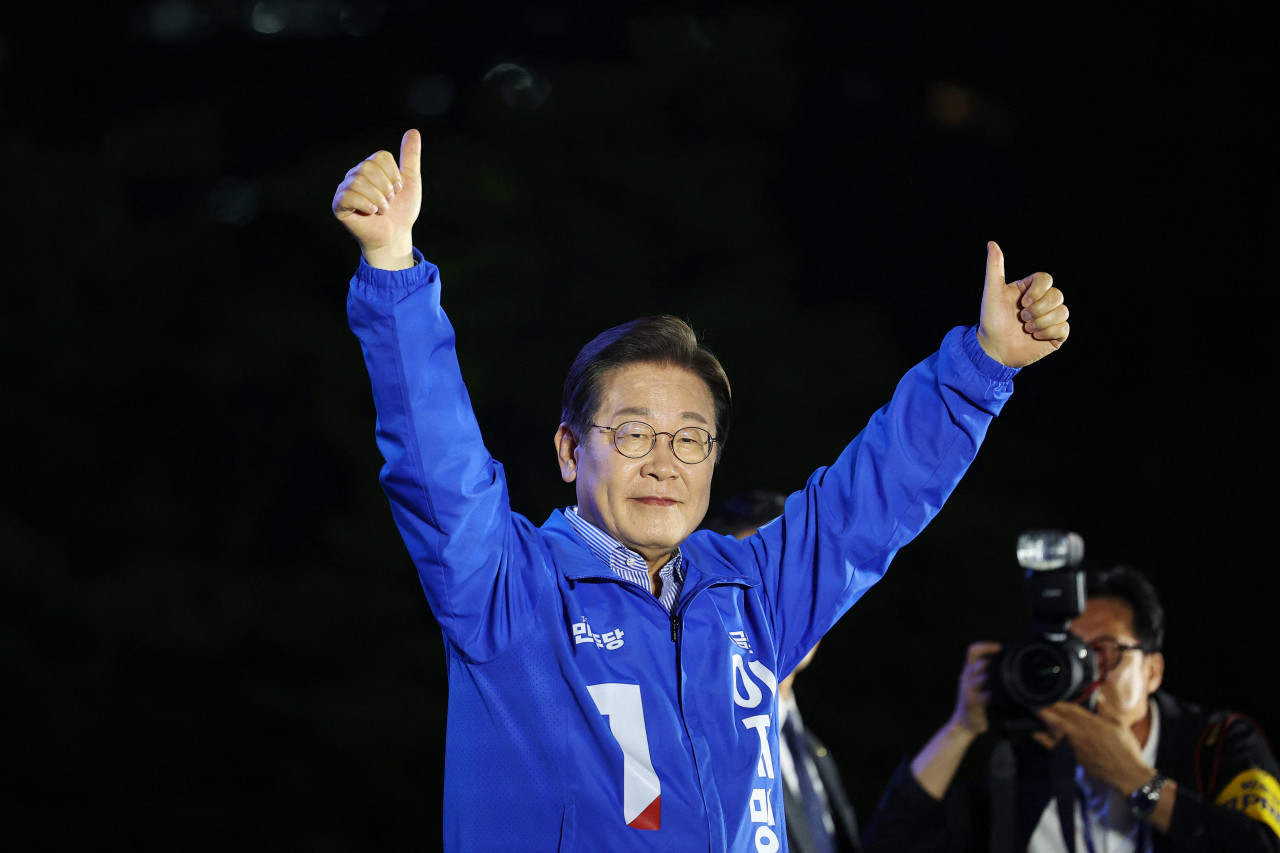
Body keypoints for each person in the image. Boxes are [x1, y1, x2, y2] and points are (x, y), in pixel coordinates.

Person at [333, 128, 1071, 852]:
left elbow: (872, 499)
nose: (665, 464)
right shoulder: (506, 586)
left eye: (690, 439)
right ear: (569, 450)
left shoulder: (753, 591)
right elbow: (437, 458)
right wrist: (392, 269)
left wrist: (983, 364)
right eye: (632, 434)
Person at [862, 564, 1280, 852]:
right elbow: (890, 844)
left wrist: (1134, 778)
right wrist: (961, 727)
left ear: (1153, 671)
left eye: (1102, 652)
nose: (1086, 673)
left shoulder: (1216, 744)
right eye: (1069, 655)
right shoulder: (1027, 766)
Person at [711, 490, 864, 853]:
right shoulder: (704, 751)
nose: (787, 602)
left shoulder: (812, 749)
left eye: (802, 580)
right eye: (760, 584)